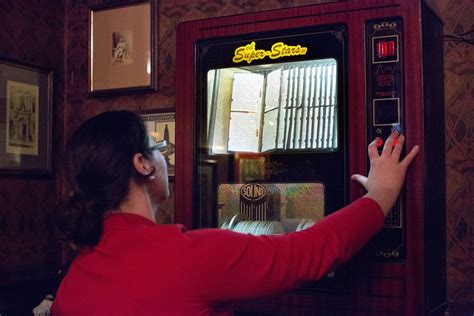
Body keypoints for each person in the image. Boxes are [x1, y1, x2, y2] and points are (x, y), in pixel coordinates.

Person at [51, 110, 419, 315]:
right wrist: (383, 193)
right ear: (142, 164)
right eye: (158, 148)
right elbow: (312, 252)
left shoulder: (75, 276)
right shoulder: (192, 256)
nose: (164, 158)